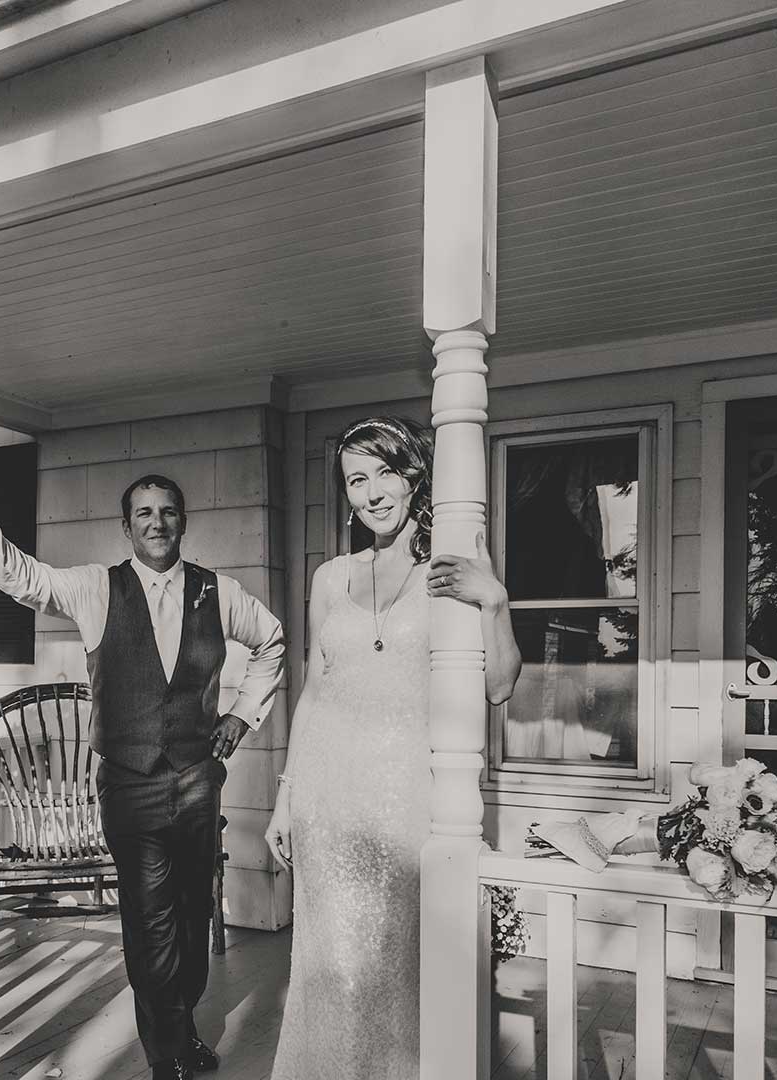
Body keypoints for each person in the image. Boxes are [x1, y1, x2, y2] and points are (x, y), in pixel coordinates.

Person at [0, 468, 286, 1080]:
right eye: (144, 513)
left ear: (182, 520)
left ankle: (180, 1025)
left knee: (191, 916)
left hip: (196, 780)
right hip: (129, 785)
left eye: (167, 511)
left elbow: (272, 640)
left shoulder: (218, 592)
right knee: (149, 918)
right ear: (127, 526)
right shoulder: (94, 588)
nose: (157, 522)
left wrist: (242, 716)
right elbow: (19, 576)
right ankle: (167, 1054)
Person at [264, 416, 521, 1079]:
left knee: (400, 957)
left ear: (413, 476)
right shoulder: (330, 579)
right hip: (327, 794)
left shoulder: (452, 569)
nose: (372, 493)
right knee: (335, 960)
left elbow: (498, 687)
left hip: (408, 792)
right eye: (355, 479)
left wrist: (492, 603)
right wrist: (284, 797)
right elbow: (313, 692)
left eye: (384, 473)